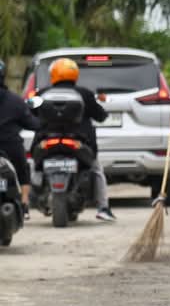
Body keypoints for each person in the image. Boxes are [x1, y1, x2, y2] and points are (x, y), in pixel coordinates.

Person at [33, 58, 114, 221]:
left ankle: (24, 207)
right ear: (75, 74)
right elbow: (101, 116)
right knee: (96, 169)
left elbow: (29, 113)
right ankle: (103, 208)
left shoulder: (41, 94)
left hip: (47, 141)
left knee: (33, 166)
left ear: (53, 74)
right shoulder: (85, 94)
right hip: (78, 141)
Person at [0, 60, 40, 219]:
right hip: (10, 147)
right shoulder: (15, 101)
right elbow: (33, 124)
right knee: (23, 171)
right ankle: (24, 205)